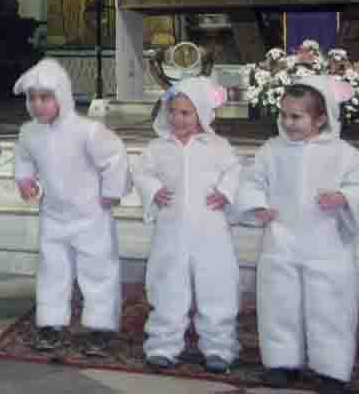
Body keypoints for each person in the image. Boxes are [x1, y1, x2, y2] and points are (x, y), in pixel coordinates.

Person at [237, 78, 359, 394]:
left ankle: (331, 368)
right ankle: (281, 361)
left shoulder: (343, 153)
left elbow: (357, 184)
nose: (288, 123)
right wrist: (258, 205)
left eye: (297, 117)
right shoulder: (272, 150)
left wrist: (344, 197)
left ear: (321, 118)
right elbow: (251, 181)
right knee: (279, 301)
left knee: (329, 306)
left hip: (327, 243)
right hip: (282, 240)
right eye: (284, 115)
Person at [13, 58, 130, 356]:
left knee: (98, 269)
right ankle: (51, 322)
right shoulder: (30, 132)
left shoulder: (87, 131)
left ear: (62, 96)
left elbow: (115, 156)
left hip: (91, 215)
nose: (38, 105)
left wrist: (112, 192)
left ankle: (100, 326)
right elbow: (24, 158)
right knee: (52, 269)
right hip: (53, 215)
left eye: (45, 97)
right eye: (32, 98)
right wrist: (25, 180)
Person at [134, 78, 241, 374]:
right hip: (171, 230)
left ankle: (219, 345)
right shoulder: (158, 147)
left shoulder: (218, 146)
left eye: (186, 113)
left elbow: (234, 171)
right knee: (167, 284)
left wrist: (227, 192)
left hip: (211, 230)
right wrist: (153, 188)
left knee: (216, 286)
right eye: (173, 112)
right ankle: (163, 344)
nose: (177, 119)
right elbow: (142, 173)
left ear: (202, 115)